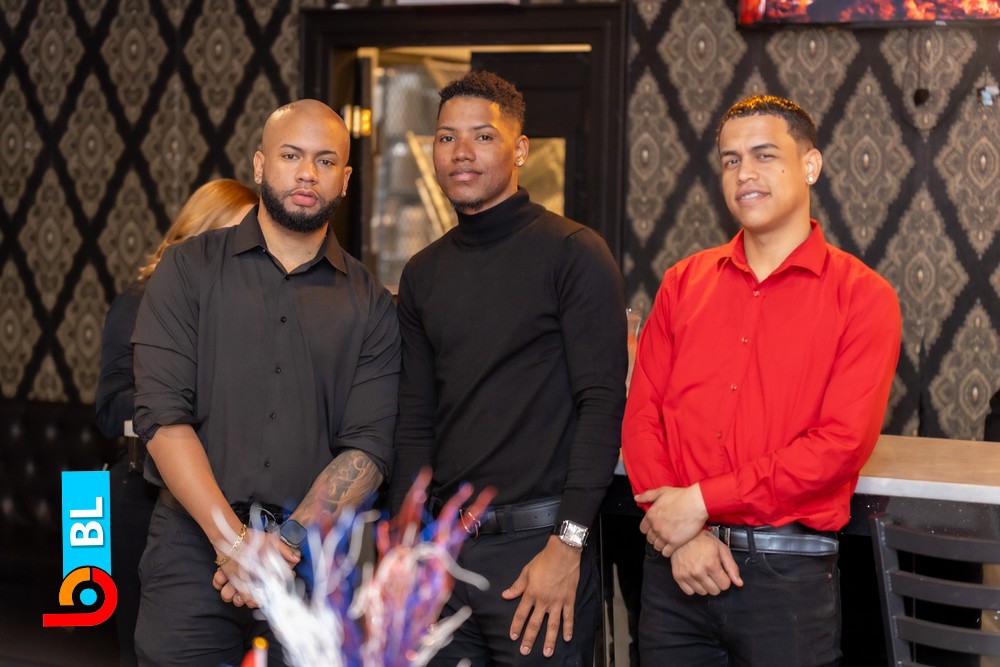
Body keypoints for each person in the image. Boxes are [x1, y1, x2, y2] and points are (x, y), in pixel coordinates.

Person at [621, 94, 902, 665]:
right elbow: (642, 417)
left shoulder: (863, 297)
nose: (744, 173)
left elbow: (839, 446)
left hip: (787, 577)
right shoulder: (682, 283)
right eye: (730, 160)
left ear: (810, 165)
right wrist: (681, 532)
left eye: (764, 155)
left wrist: (702, 501)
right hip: (674, 568)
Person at [131, 99, 400, 667]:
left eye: (326, 161)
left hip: (312, 563)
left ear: (345, 178)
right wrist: (231, 543)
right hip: (189, 549)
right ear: (259, 165)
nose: (308, 173)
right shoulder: (187, 269)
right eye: (291, 155)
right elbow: (162, 416)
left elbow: (369, 446)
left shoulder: (373, 303)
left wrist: (283, 547)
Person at [389, 70, 627, 665]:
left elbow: (601, 405)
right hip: (443, 559)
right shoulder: (423, 273)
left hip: (540, 551)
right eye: (447, 138)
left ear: (520, 149)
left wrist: (567, 546)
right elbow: (415, 420)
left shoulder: (573, 253)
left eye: (483, 136)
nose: (461, 152)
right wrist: (406, 549)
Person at [95, 178, 257, 667]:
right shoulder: (139, 301)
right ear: (199, 230)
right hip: (142, 497)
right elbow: (109, 409)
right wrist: (174, 404)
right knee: (140, 646)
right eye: (231, 233)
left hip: (215, 504)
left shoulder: (243, 309)